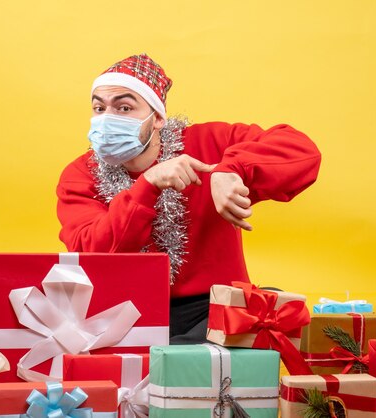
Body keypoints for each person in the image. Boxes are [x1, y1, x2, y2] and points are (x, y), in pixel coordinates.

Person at [56, 53, 321, 343]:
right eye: (99, 107)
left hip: (211, 309)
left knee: (232, 340)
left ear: (157, 118)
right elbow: (92, 254)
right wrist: (148, 185)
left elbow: (301, 151)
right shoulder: (81, 174)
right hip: (121, 314)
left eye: (124, 107)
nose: (108, 119)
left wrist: (230, 169)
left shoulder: (207, 144)